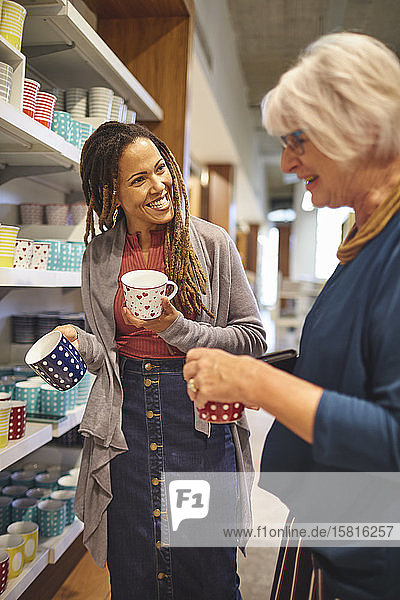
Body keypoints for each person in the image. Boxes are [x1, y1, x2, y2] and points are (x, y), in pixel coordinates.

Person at [183, 32, 400, 600]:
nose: (286, 160)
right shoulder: (367, 237)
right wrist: (258, 379)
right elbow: (355, 371)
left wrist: (257, 380)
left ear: (365, 128)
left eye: (298, 140)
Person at [56, 121, 267, 600]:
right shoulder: (100, 256)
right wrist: (77, 341)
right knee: (136, 563)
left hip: (197, 419)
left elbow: (253, 339)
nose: (160, 184)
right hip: (125, 422)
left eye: (161, 169)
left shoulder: (209, 244)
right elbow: (111, 355)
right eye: (139, 179)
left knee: (205, 565)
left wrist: (172, 327)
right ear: (112, 194)